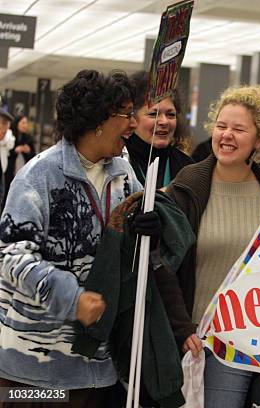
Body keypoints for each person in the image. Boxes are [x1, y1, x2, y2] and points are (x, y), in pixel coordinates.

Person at [159, 85, 260, 408]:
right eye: (221, 126)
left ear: (259, 140)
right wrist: (180, 325)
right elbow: (162, 263)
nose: (226, 135)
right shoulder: (187, 187)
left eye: (239, 129)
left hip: (252, 346)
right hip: (197, 343)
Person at [0, 70, 143, 406]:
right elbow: (11, 256)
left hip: (96, 365)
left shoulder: (123, 176)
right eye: (126, 115)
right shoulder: (39, 175)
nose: (133, 124)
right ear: (97, 120)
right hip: (34, 368)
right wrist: (71, 297)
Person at [124, 70, 193, 189]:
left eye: (170, 114)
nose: (164, 121)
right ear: (132, 117)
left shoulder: (187, 168)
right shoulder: (118, 162)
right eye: (153, 114)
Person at [6, 114, 36, 193]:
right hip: (9, 172)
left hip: (23, 173)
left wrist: (28, 151)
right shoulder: (9, 136)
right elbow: (5, 154)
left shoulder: (28, 138)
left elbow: (34, 157)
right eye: (23, 123)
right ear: (17, 123)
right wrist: (15, 150)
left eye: (26, 123)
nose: (25, 125)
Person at [0, 107, 15, 206]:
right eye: (3, 123)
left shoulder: (8, 138)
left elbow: (10, 143)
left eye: (6, 124)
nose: (4, 127)